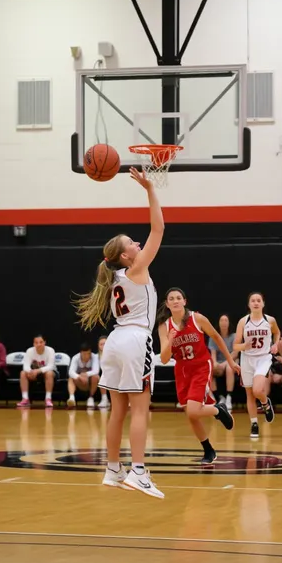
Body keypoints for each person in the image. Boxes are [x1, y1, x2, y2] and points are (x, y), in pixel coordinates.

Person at [74, 167, 164, 499]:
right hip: (136, 340)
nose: (139, 244)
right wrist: (149, 190)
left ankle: (113, 469)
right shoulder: (137, 269)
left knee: (119, 410)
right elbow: (159, 228)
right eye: (133, 243)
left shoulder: (112, 279)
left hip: (113, 342)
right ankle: (138, 472)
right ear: (126, 256)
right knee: (140, 410)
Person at [158, 288, 239, 464]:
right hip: (182, 370)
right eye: (171, 298)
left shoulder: (197, 318)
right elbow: (164, 359)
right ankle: (209, 450)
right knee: (191, 415)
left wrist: (230, 362)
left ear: (184, 301)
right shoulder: (164, 327)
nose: (175, 301)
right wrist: (170, 340)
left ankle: (219, 410)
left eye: (179, 297)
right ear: (167, 304)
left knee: (194, 410)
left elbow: (217, 338)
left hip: (201, 366)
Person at [234, 292, 280, 438]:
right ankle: (254, 423)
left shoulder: (270, 320)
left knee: (257, 390)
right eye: (253, 301)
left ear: (263, 304)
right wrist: (243, 346)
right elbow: (235, 346)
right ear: (249, 305)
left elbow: (277, 333)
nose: (255, 303)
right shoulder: (243, 321)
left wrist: (276, 344)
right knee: (249, 394)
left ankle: (266, 404)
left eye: (258, 300)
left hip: (263, 358)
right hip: (247, 359)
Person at [18, 334, 57, 408]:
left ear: (45, 342)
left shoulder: (50, 350)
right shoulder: (29, 351)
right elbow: (25, 366)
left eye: (41, 342)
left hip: (50, 373)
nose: (38, 344)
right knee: (23, 373)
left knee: (49, 373)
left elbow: (51, 366)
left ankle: (48, 399)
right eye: (36, 342)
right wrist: (30, 371)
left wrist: (38, 371)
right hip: (34, 373)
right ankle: (25, 399)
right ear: (33, 344)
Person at [208, 314, 238, 411]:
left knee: (229, 368)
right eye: (222, 320)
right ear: (219, 323)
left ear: (229, 323)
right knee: (210, 369)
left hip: (231, 361)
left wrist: (225, 364)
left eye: (226, 320)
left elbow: (235, 353)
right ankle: (219, 397)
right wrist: (215, 364)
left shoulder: (234, 336)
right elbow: (213, 354)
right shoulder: (214, 336)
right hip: (219, 362)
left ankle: (229, 397)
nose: (224, 323)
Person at [67, 342, 100, 408]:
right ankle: (72, 398)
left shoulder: (94, 357)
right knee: (71, 378)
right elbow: (71, 372)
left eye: (88, 353)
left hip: (90, 382)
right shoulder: (75, 358)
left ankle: (91, 398)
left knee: (96, 377)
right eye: (84, 354)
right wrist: (80, 377)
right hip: (80, 381)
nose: (87, 356)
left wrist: (85, 374)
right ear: (81, 353)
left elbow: (96, 371)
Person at [97, 335, 110, 408]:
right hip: (106, 375)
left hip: (117, 374)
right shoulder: (97, 356)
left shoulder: (115, 353)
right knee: (102, 378)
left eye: (105, 344)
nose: (103, 346)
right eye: (101, 344)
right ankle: (104, 399)